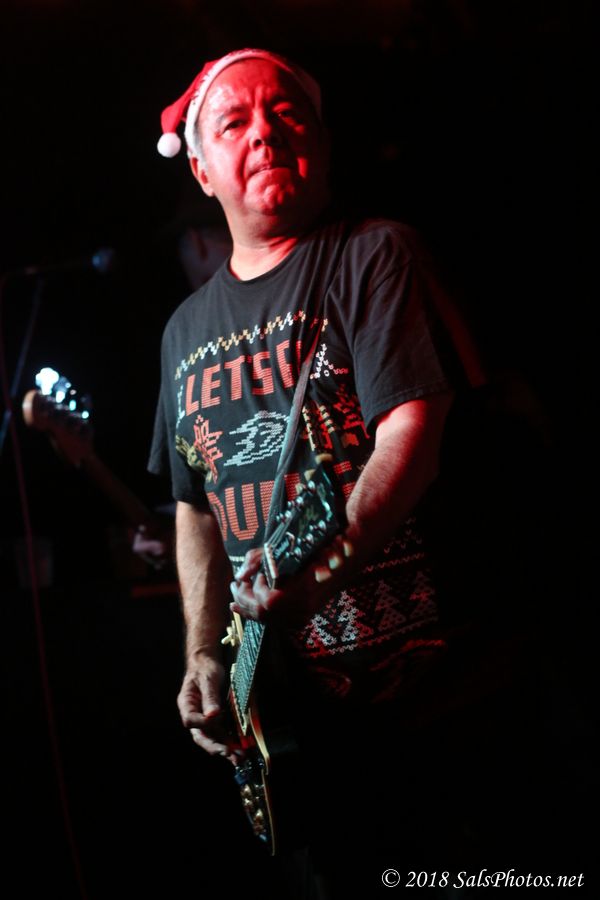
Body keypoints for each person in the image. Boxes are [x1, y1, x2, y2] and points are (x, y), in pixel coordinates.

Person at [148, 48, 497, 898]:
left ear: (323, 141)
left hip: (431, 703)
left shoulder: (375, 254)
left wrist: (323, 570)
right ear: (202, 169)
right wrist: (202, 652)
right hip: (290, 723)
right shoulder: (183, 331)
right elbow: (194, 506)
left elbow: (411, 439)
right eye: (235, 122)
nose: (265, 133)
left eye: (286, 114)